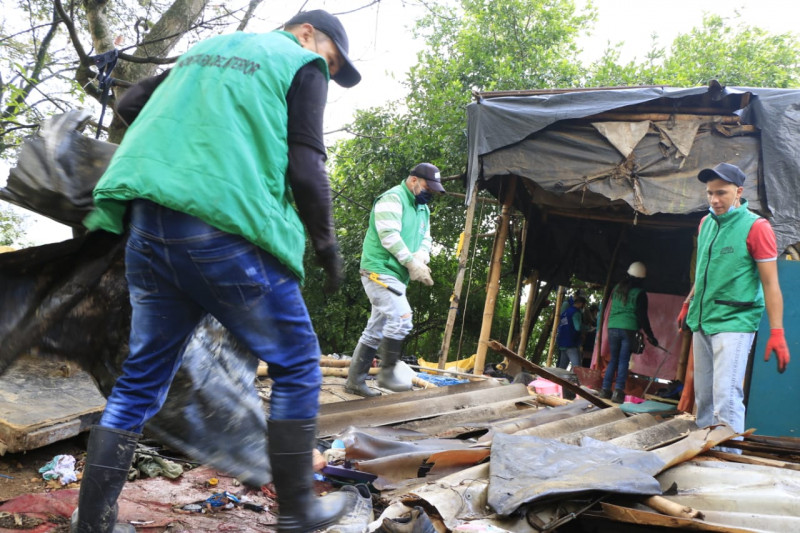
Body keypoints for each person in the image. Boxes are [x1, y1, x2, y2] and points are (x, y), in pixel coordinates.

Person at [75, 10, 361, 533]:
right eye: (331, 58)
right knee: (298, 365)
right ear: (306, 35)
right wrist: (325, 244)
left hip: (148, 225)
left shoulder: (207, 51)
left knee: (139, 381)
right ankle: (299, 512)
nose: (327, 68)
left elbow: (131, 101)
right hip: (220, 229)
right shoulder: (300, 63)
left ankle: (93, 523)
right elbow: (305, 166)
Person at [676, 163, 790, 452]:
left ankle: (729, 460)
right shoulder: (706, 223)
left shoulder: (756, 227)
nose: (715, 200)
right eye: (710, 193)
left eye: (722, 193)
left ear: (739, 192)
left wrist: (776, 331)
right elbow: (703, 271)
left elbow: (771, 284)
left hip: (735, 321)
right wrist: (688, 301)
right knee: (704, 400)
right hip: (703, 320)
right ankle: (705, 455)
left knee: (725, 397)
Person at [344, 163, 444, 397]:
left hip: (397, 275)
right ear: (413, 181)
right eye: (428, 187)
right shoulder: (392, 199)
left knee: (375, 329)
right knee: (402, 319)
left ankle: (354, 382)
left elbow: (426, 238)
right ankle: (387, 374)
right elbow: (388, 235)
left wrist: (421, 256)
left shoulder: (423, 209)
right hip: (378, 270)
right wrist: (411, 263)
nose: (431, 193)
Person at [600, 262, 658, 403]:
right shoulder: (640, 293)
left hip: (612, 327)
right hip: (629, 329)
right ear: (642, 279)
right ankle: (618, 392)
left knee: (614, 359)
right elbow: (642, 318)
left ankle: (605, 389)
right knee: (623, 361)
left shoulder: (617, 288)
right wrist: (651, 336)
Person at [556, 295, 586, 369]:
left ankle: (556, 379)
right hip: (571, 343)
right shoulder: (576, 313)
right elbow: (578, 327)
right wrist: (587, 328)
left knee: (562, 367)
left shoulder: (565, 312)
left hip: (562, 342)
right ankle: (575, 380)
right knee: (577, 367)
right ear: (581, 304)